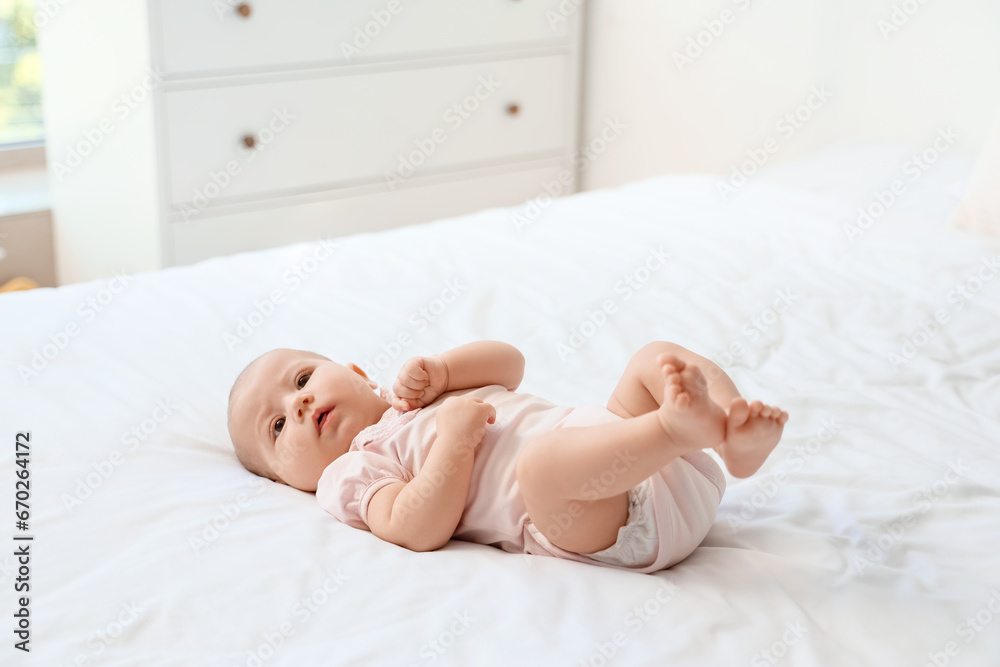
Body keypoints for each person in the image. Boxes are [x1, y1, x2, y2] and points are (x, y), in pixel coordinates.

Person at [227, 340, 787, 573]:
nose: (297, 404)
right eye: (277, 426)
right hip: (605, 519)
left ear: (357, 374)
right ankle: (674, 427)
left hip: (633, 453)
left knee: (651, 358)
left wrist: (447, 373)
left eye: (301, 379)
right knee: (539, 466)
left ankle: (731, 428)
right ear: (288, 479)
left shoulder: (415, 393)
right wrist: (455, 441)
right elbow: (415, 527)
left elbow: (511, 367)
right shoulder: (349, 471)